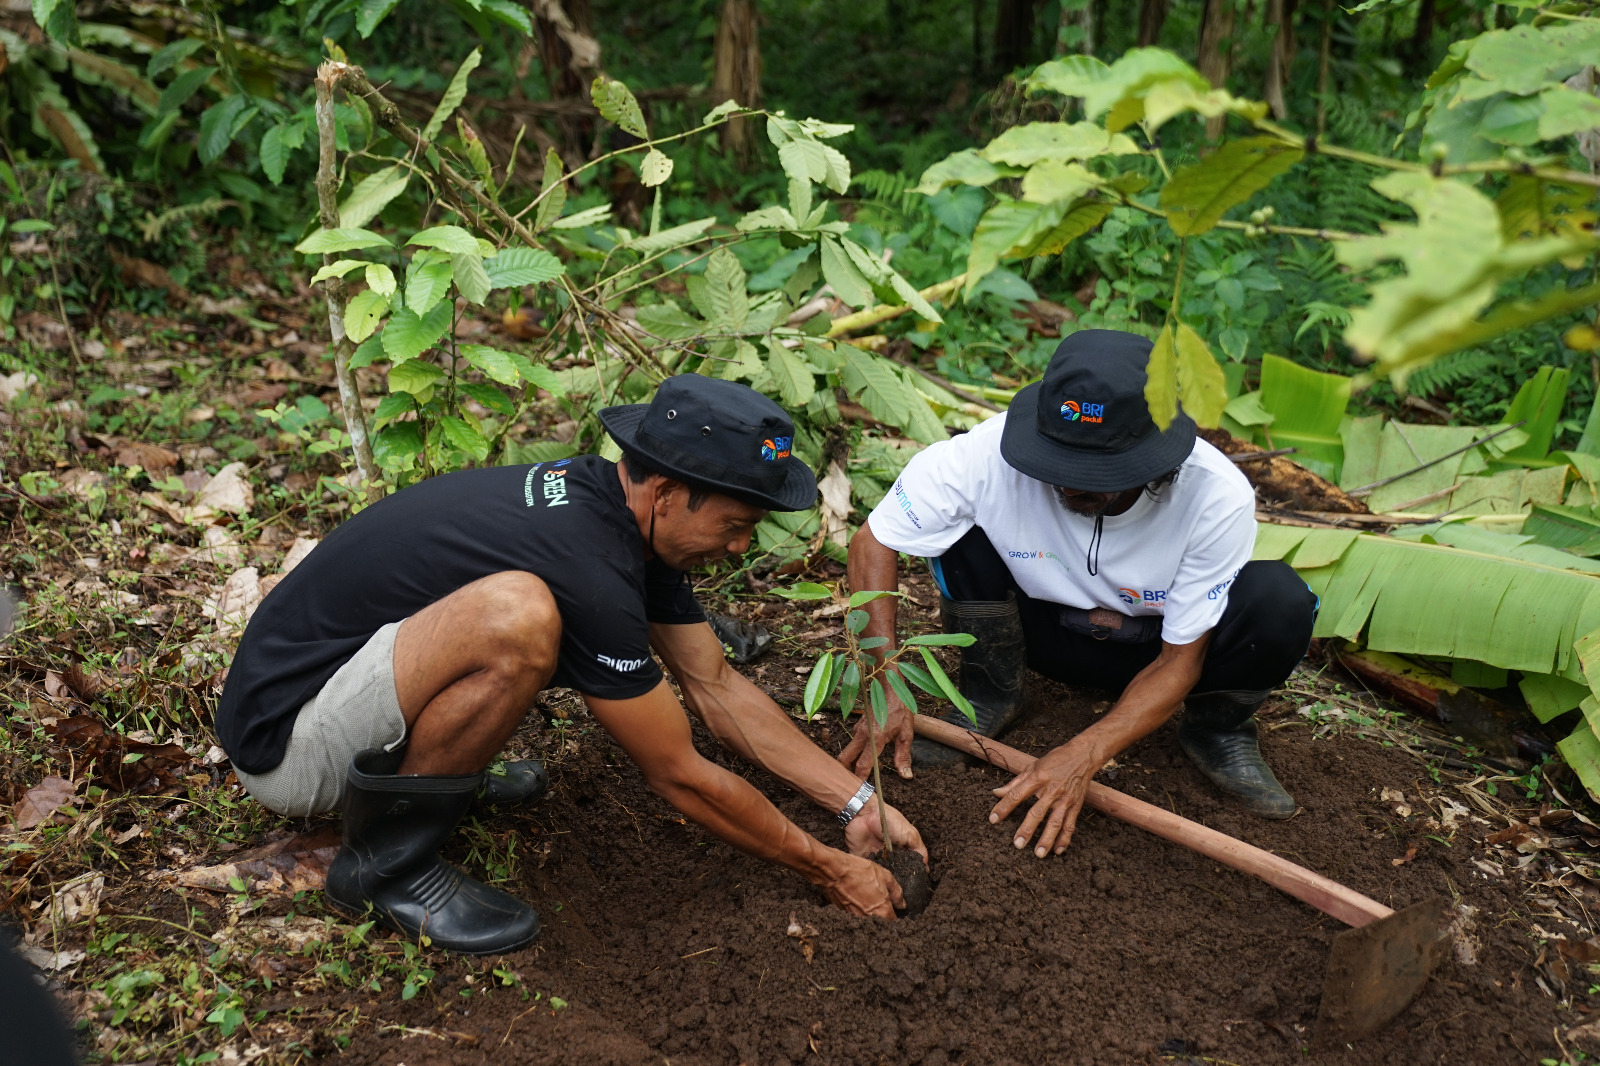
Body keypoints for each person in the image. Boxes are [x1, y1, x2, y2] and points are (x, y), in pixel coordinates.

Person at [216, 375, 926, 955]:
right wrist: (827, 868)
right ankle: (384, 867)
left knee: (525, 613)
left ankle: (429, 781)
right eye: (736, 526)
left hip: (343, 685)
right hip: (289, 741)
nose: (740, 548)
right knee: (519, 616)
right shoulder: (588, 561)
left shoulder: (623, 516)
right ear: (670, 495)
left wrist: (856, 803)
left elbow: (717, 686)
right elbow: (677, 770)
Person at [840, 329, 1317, 859]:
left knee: (1280, 599)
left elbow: (1181, 660)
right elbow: (873, 540)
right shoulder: (984, 453)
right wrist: (882, 682)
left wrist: (1083, 753)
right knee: (959, 537)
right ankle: (992, 693)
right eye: (1056, 465)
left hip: (1154, 656)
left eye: (1094, 476)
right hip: (1038, 631)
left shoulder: (1215, 494)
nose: (1068, 485)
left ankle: (1215, 730)